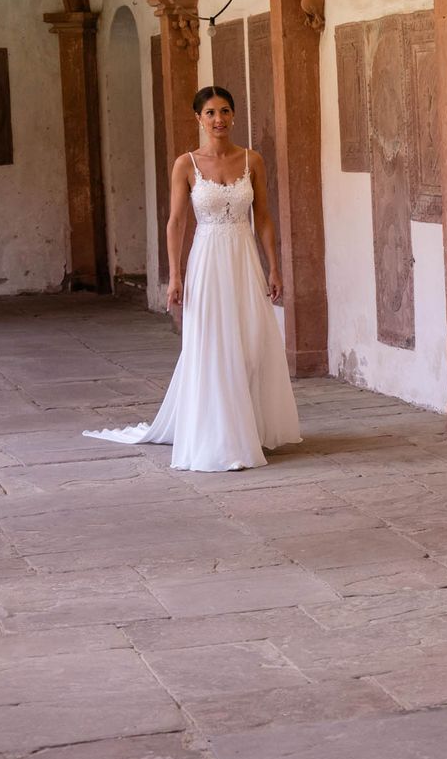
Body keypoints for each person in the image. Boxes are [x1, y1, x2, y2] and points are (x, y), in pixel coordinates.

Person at [86, 85, 300, 472]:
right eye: (211, 113)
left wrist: (274, 265)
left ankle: (250, 425)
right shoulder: (186, 164)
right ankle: (219, 435)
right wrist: (175, 276)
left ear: (234, 115)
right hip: (207, 259)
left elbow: (264, 217)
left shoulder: (253, 160)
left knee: (251, 342)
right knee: (213, 344)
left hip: (243, 258)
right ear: (198, 119)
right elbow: (176, 222)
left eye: (225, 111)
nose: (219, 119)